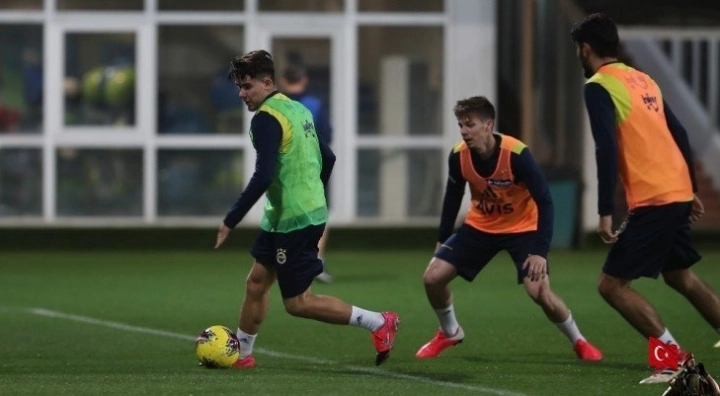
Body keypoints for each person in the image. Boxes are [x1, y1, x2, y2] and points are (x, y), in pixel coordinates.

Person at [214, 50, 399, 368]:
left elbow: (264, 175)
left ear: (267, 83)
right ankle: (242, 355)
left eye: (247, 86)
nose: (242, 94)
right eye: (240, 87)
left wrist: (231, 218)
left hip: (295, 220)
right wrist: (315, 195)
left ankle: (379, 322)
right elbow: (329, 158)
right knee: (256, 283)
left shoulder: (266, 119)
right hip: (285, 217)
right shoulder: (297, 109)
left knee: (298, 302)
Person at [571, 13, 720, 384]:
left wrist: (604, 210)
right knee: (680, 276)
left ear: (585, 49)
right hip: (675, 190)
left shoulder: (599, 86)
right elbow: (679, 132)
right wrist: (690, 188)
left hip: (655, 198)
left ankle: (675, 361)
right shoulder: (644, 79)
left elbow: (606, 148)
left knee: (612, 286)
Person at [415, 96, 603, 362]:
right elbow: (452, 197)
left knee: (539, 292)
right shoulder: (458, 156)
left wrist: (539, 251)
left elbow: (545, 201)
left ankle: (579, 341)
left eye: (470, 124)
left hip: (523, 229)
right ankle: (449, 332)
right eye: (461, 125)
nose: (464, 131)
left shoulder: (517, 154)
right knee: (432, 278)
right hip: (480, 227)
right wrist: (442, 240)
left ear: (488, 125)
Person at [280, 65, 334, 283]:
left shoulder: (277, 106)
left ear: (284, 81)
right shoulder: (315, 104)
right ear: (304, 80)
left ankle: (285, 260)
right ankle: (315, 261)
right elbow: (326, 135)